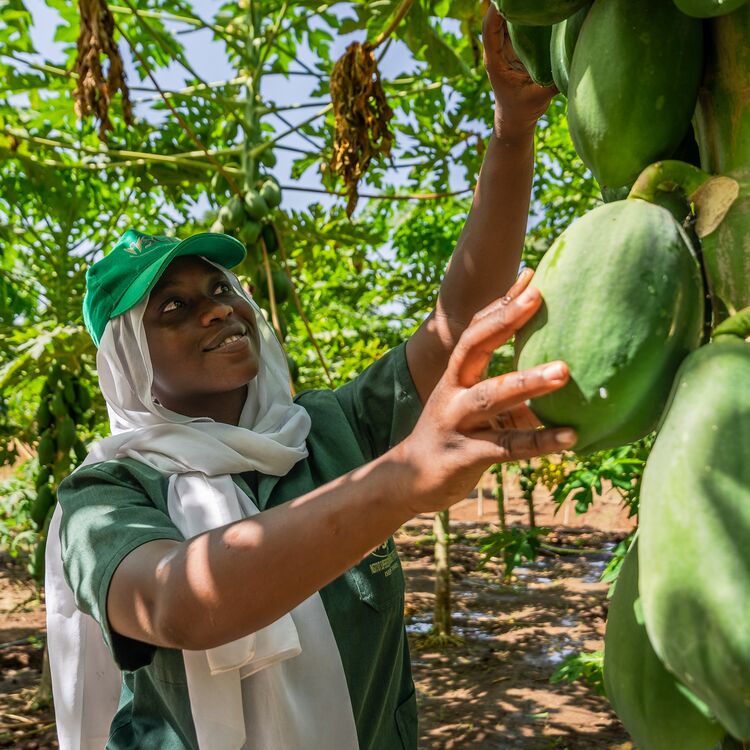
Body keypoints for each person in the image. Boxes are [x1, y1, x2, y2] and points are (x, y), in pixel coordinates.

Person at [46, 8, 576, 750]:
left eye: (223, 290)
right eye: (175, 307)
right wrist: (402, 478)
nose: (217, 311)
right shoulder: (104, 496)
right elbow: (179, 604)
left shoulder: (329, 429)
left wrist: (513, 135)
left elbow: (455, 325)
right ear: (131, 361)